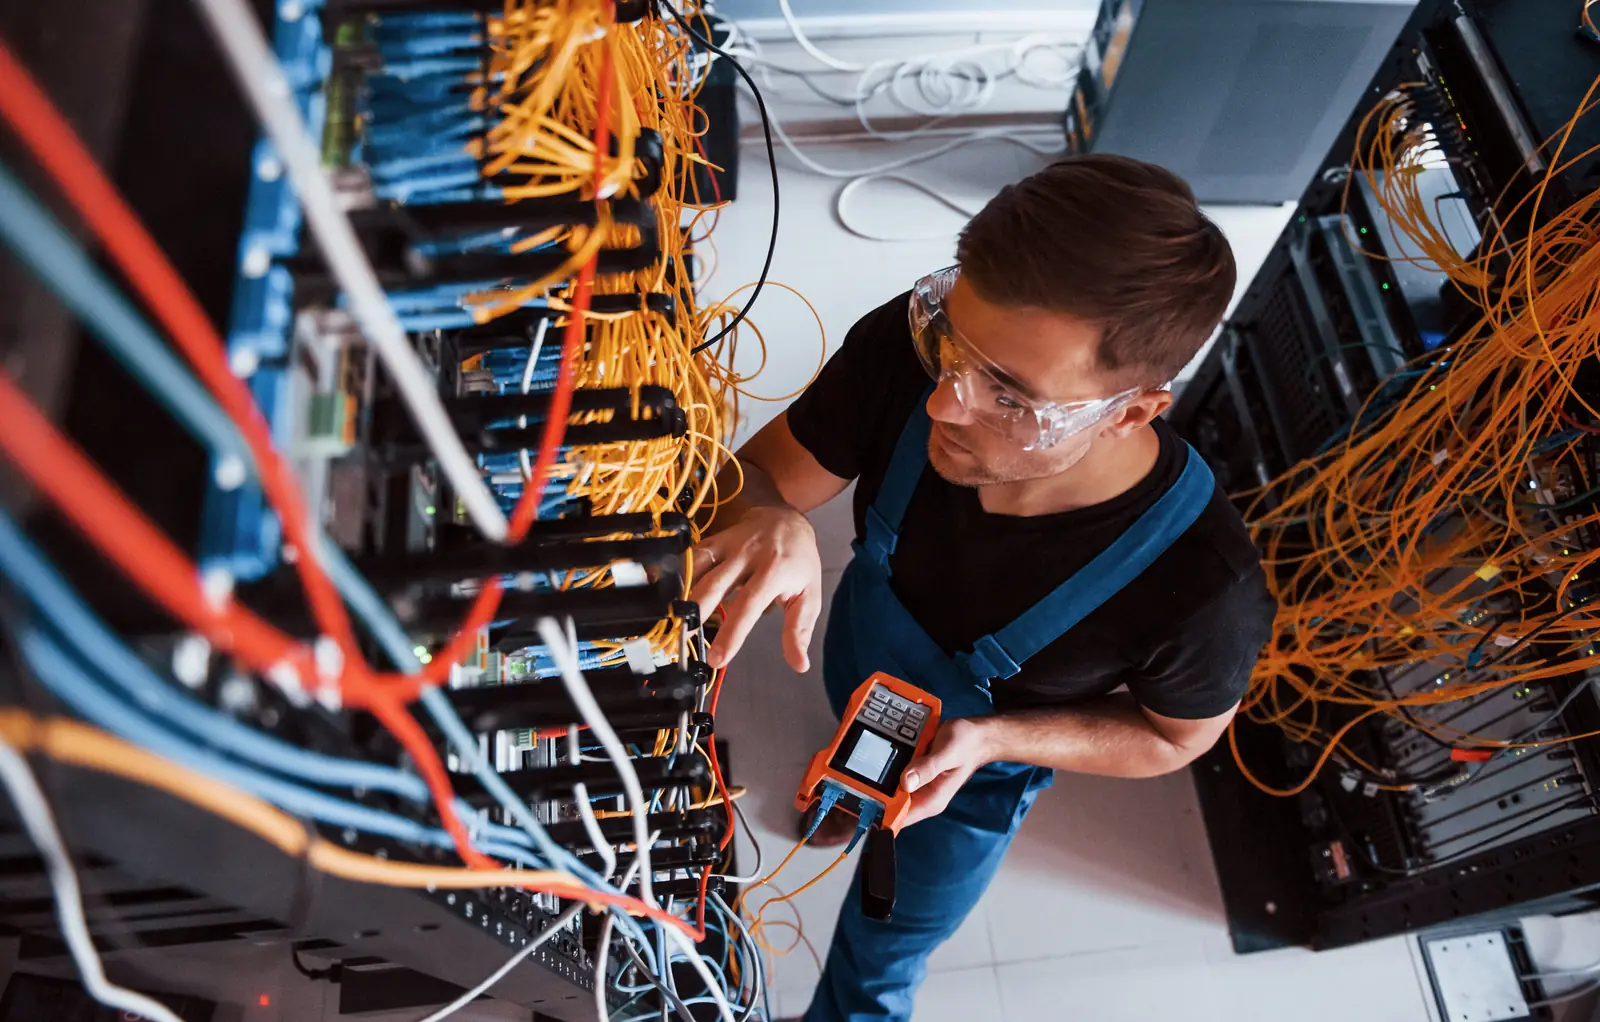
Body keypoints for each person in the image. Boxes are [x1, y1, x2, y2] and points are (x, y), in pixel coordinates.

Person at [691, 154, 1277, 1022]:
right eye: (951, 342)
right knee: (852, 752)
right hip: (866, 656)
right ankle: (847, 798)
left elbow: (1169, 741)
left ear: (1130, 411)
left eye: (1009, 395)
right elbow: (765, 474)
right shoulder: (911, 349)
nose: (946, 404)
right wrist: (767, 513)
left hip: (972, 775)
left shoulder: (1203, 589)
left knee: (883, 953)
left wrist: (994, 738)